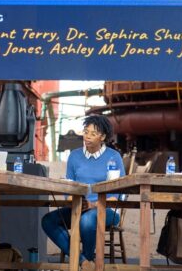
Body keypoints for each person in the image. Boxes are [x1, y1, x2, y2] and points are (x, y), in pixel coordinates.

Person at [41, 115, 125, 268]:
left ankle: (86, 258)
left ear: (103, 137)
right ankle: (84, 262)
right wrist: (73, 201)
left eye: (93, 134)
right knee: (48, 221)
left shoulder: (114, 157)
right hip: (78, 207)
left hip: (107, 210)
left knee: (86, 221)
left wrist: (93, 205)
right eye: (86, 132)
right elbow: (69, 188)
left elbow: (117, 195)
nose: (88, 137)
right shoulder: (75, 156)